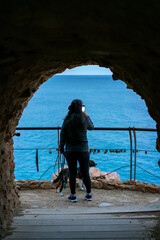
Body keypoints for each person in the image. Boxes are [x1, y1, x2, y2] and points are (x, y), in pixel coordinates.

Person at [60, 99, 94, 202]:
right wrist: (86, 115)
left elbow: (62, 136)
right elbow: (92, 127)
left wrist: (61, 149)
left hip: (70, 150)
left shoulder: (67, 121)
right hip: (83, 150)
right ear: (80, 108)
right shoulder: (84, 120)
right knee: (85, 173)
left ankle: (73, 195)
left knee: (72, 173)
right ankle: (88, 194)